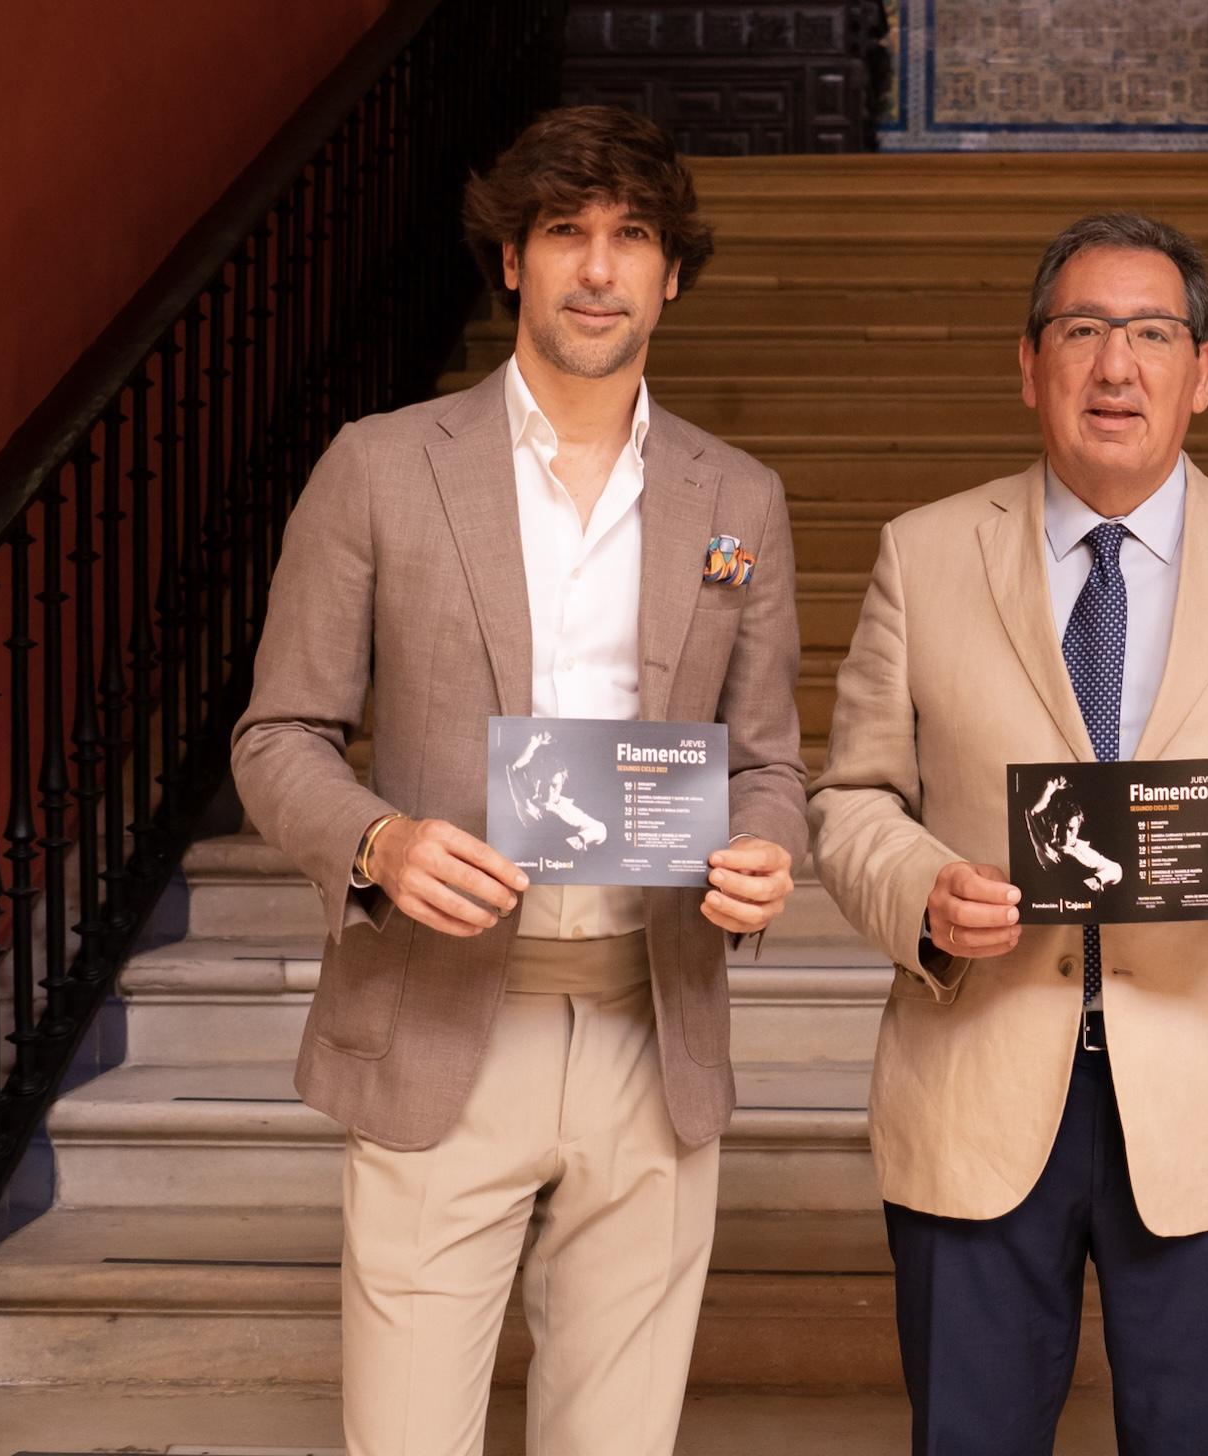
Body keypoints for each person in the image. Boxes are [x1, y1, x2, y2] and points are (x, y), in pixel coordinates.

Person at [229, 105, 807, 1456]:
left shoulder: (740, 500)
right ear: (512, 263)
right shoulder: (380, 467)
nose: (599, 270)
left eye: (632, 238)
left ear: (671, 273)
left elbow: (770, 759)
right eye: (566, 235)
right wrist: (376, 844)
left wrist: (767, 853)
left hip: (650, 1027)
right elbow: (276, 739)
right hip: (439, 1018)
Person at [808, 212, 1208, 1456]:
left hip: (1202, 1079)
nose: (1115, 365)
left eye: (1150, 333)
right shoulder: (923, 554)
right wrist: (922, 890)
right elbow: (851, 797)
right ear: (1028, 365)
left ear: (1202, 371)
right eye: (1081, 331)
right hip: (977, 1069)